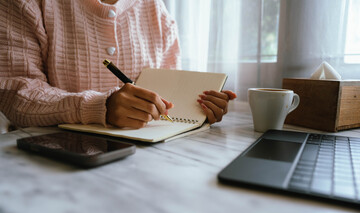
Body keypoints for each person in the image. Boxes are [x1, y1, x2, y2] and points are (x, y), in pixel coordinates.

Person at [0, 0, 236, 131]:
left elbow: (168, 102)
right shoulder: (26, 3)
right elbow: (14, 94)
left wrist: (197, 109)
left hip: (148, 160)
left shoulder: (157, 10)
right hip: (50, 161)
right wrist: (97, 107)